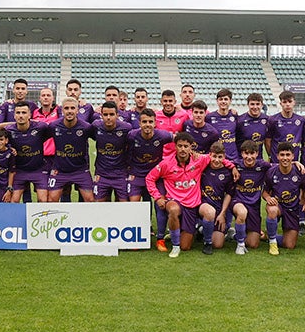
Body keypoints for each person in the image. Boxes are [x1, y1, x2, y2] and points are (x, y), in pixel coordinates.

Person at [144, 132, 235, 257]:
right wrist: (157, 196)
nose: (182, 149)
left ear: (191, 147)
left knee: (186, 246)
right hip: (174, 200)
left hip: (192, 205)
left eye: (186, 146)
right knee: (174, 209)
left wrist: (233, 167)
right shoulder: (166, 163)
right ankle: (175, 246)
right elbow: (149, 178)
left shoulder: (199, 160)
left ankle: (184, 233)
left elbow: (216, 158)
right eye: (180, 146)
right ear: (175, 146)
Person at [128, 109, 175, 249]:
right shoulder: (131, 136)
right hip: (137, 175)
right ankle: (137, 236)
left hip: (156, 176)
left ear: (155, 123)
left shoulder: (163, 135)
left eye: (150, 122)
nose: (147, 125)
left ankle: (160, 239)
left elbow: (180, 139)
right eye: (144, 122)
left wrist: (193, 152)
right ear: (139, 123)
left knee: (160, 204)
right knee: (134, 205)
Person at [263, 142, 305, 255]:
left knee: (289, 245)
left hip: (292, 209)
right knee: (272, 209)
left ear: (293, 156)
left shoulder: (299, 171)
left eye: (288, 155)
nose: (285, 158)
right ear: (277, 156)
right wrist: (268, 198)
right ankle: (273, 243)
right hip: (278, 206)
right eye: (282, 155)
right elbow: (264, 192)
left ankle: (267, 235)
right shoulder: (271, 172)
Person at [47, 97, 96, 202]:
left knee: (90, 200)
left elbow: (100, 139)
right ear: (62, 110)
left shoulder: (86, 127)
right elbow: (38, 138)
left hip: (80, 170)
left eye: (72, 108)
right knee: (51, 200)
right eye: (66, 108)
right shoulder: (54, 126)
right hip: (59, 170)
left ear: (77, 110)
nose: (69, 111)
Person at [228, 140, 271, 254]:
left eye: (252, 154)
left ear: (257, 154)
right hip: (238, 202)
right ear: (242, 154)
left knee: (253, 244)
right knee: (242, 212)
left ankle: (235, 235)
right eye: (246, 154)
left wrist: (296, 163)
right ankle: (240, 245)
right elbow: (220, 161)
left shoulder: (262, 166)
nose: (249, 157)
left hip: (254, 206)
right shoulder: (236, 164)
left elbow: (279, 165)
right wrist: (232, 167)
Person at [7, 102, 55, 203]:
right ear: (14, 115)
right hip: (20, 171)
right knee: (13, 201)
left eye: (24, 113)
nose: (21, 115)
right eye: (18, 113)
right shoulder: (9, 130)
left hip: (39, 169)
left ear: (29, 115)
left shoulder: (40, 127)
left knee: (43, 200)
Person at [91, 101, 132, 202]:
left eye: (111, 114)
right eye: (105, 114)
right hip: (102, 174)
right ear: (101, 115)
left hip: (120, 174)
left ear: (117, 115)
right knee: (99, 203)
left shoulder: (126, 128)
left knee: (123, 203)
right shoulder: (96, 126)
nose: (108, 117)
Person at [197, 144, 234, 251]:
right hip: (202, 206)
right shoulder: (203, 167)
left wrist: (222, 214)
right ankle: (207, 243)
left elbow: (228, 194)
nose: (216, 160)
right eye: (214, 156)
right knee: (209, 212)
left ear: (224, 157)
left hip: (218, 209)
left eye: (220, 157)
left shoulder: (227, 173)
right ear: (209, 155)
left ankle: (202, 229)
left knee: (218, 244)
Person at [267, 91, 305, 170]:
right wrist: (271, 155)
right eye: (284, 102)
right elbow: (268, 140)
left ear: (294, 102)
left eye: (290, 101)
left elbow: (303, 140)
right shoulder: (273, 120)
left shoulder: (301, 120)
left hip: (294, 162)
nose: (287, 104)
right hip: (277, 162)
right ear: (281, 103)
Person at [207, 89, 241, 160]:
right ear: (217, 101)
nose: (223, 101)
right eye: (221, 99)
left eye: (226, 99)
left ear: (230, 101)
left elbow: (239, 135)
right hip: (217, 158)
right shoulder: (209, 117)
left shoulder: (234, 116)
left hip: (233, 158)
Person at [235, 93, 270, 158]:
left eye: (257, 104)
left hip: (258, 160)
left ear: (262, 105)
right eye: (252, 104)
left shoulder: (267, 120)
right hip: (243, 160)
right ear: (248, 105)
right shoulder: (240, 121)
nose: (255, 107)